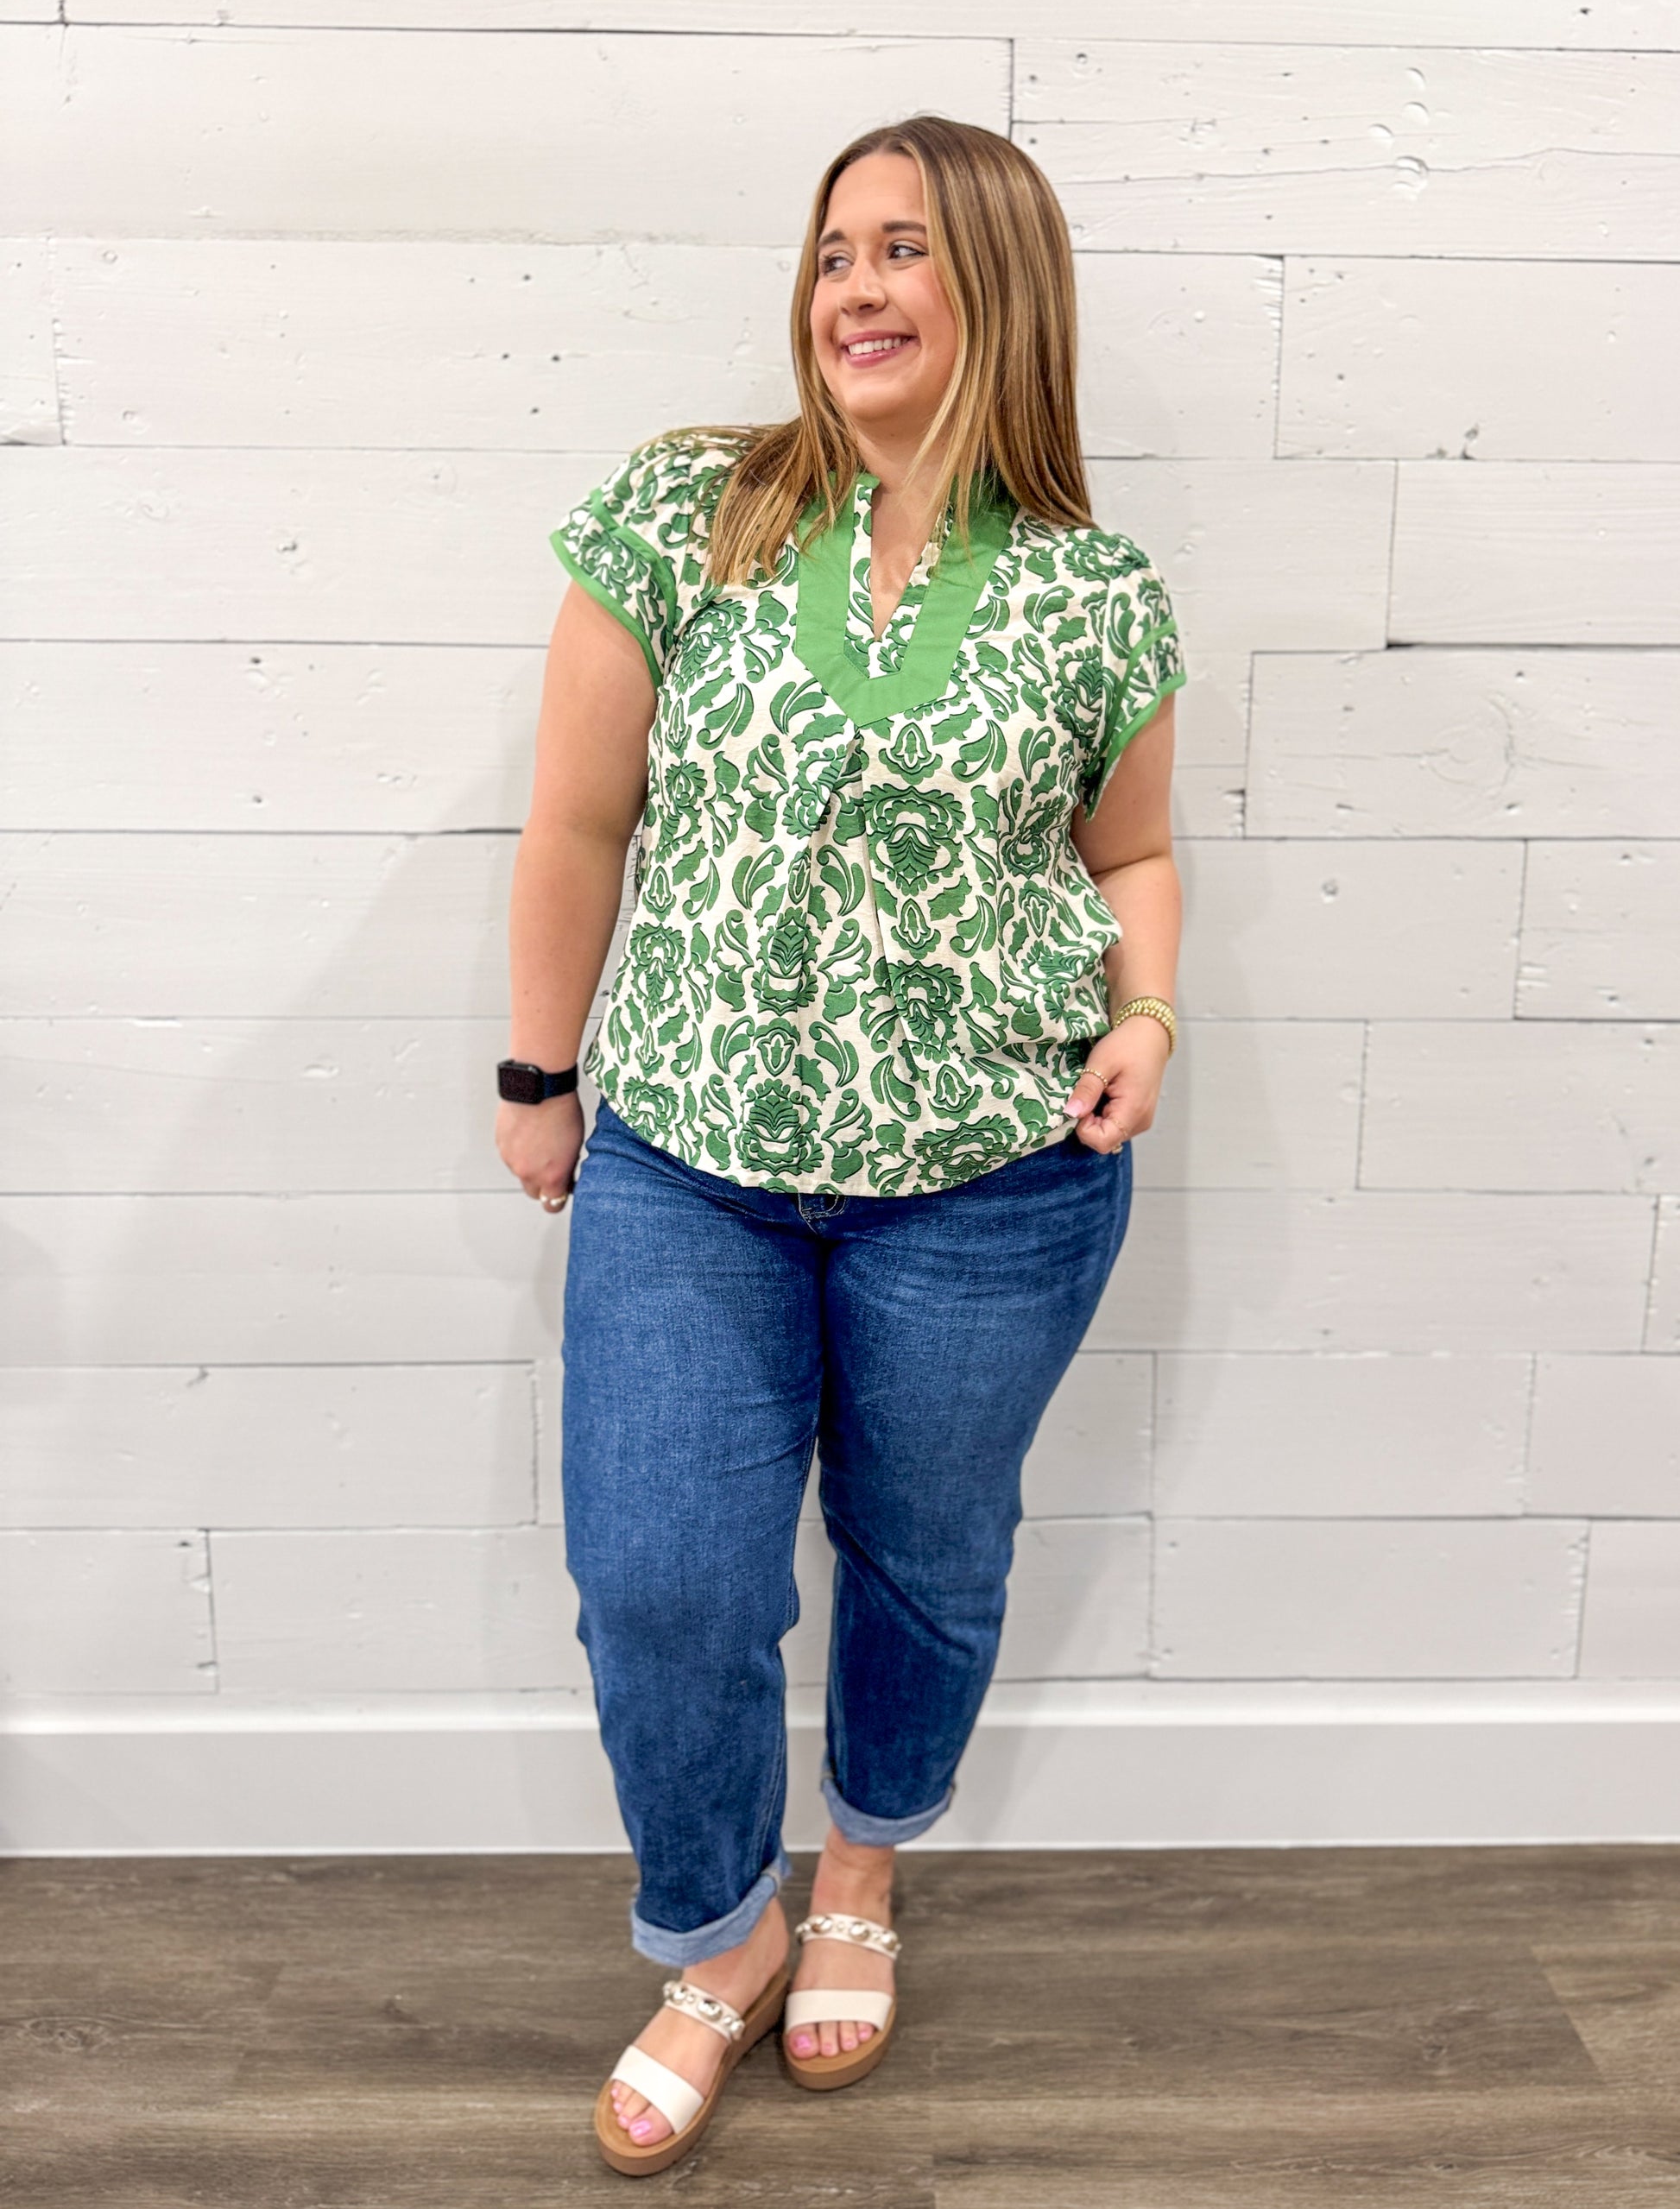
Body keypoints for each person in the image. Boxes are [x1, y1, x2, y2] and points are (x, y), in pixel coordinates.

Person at [496, 112, 1185, 2177]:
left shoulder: (1094, 591)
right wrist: (543, 1080)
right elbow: (576, 824)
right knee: (661, 1572)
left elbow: (1131, 849)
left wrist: (1146, 1008)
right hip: (689, 1161)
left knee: (926, 1557)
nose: (854, 291)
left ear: (999, 283)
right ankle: (723, 1933)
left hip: (997, 1174)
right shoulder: (679, 511)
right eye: (829, 258)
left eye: (900, 250)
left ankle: (864, 1872)